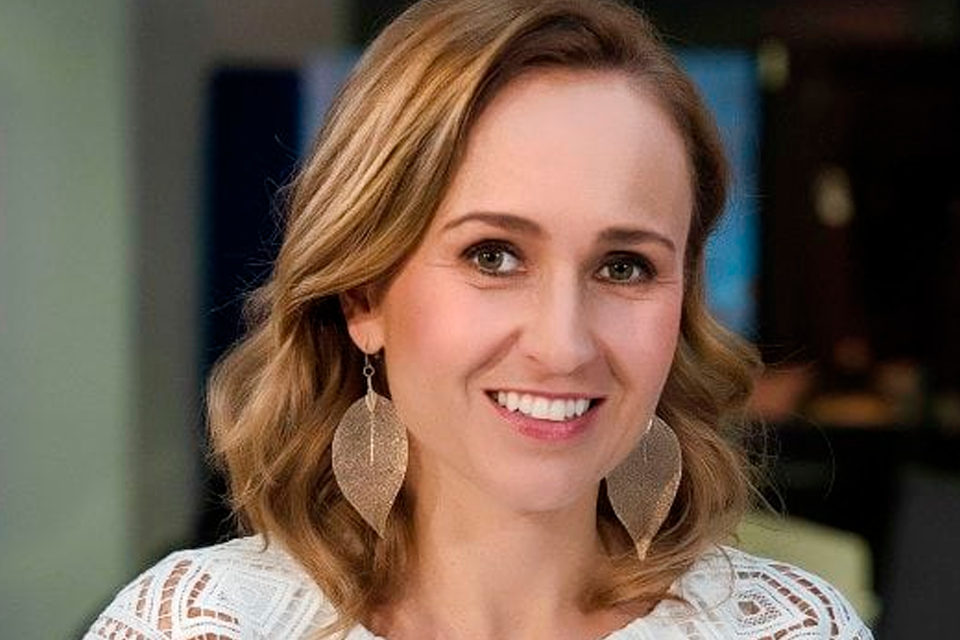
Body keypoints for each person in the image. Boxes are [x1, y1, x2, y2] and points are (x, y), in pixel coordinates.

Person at [85, 0, 874, 638]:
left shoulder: (789, 631)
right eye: (493, 256)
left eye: (624, 266)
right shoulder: (204, 626)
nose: (562, 345)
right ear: (362, 296)